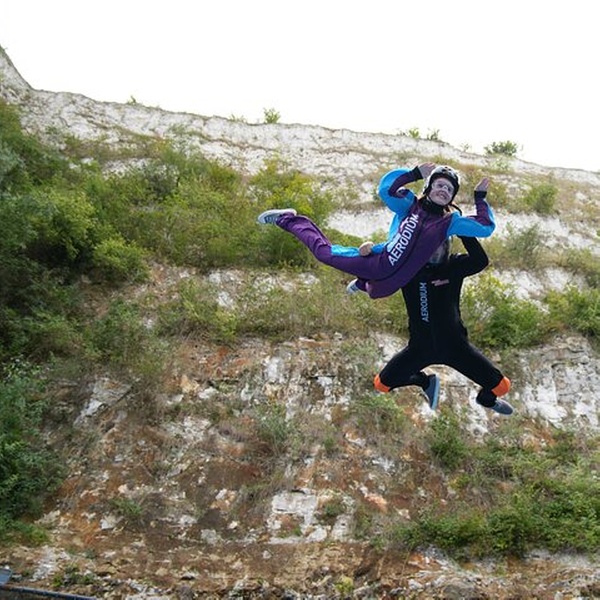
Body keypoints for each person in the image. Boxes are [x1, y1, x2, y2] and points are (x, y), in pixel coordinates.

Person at [257, 163, 495, 298]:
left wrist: (480, 198)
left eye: (449, 189)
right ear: (429, 187)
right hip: (377, 261)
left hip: (398, 278)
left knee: (375, 292)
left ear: (452, 198)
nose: (444, 190)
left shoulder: (450, 222)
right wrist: (413, 174)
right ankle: (288, 219)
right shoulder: (409, 205)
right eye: (440, 185)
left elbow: (485, 227)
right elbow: (385, 190)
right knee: (324, 254)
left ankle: (362, 284)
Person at [371, 235, 513, 415]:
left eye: (441, 247)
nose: (435, 253)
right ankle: (424, 381)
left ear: (447, 246)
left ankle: (486, 399)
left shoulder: (454, 266)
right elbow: (377, 272)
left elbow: (480, 261)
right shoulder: (407, 269)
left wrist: (464, 232)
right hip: (420, 348)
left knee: (502, 387)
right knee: (381, 385)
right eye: (430, 248)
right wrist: (363, 273)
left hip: (456, 348)